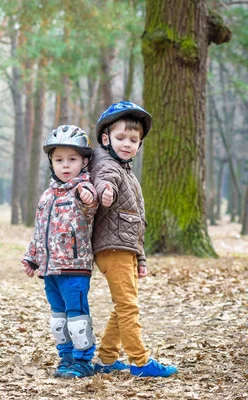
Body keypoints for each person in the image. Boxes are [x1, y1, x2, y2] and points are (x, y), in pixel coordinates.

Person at [90, 101, 178, 378]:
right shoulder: (109, 166)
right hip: (112, 249)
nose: (127, 144)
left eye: (133, 140)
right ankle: (140, 361)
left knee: (123, 304)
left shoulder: (126, 171)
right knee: (129, 306)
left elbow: (135, 221)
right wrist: (104, 192)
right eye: (120, 138)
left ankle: (106, 358)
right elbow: (104, 181)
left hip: (124, 248)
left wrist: (140, 257)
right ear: (106, 139)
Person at [21, 125, 99, 379]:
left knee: (77, 318)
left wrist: (89, 196)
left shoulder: (82, 189)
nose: (65, 165)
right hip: (50, 268)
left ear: (84, 161)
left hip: (74, 268)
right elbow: (39, 230)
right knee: (58, 320)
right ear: (51, 162)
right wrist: (32, 257)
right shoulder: (46, 196)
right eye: (59, 160)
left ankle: (83, 360)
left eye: (72, 159)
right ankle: (65, 358)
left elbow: (90, 204)